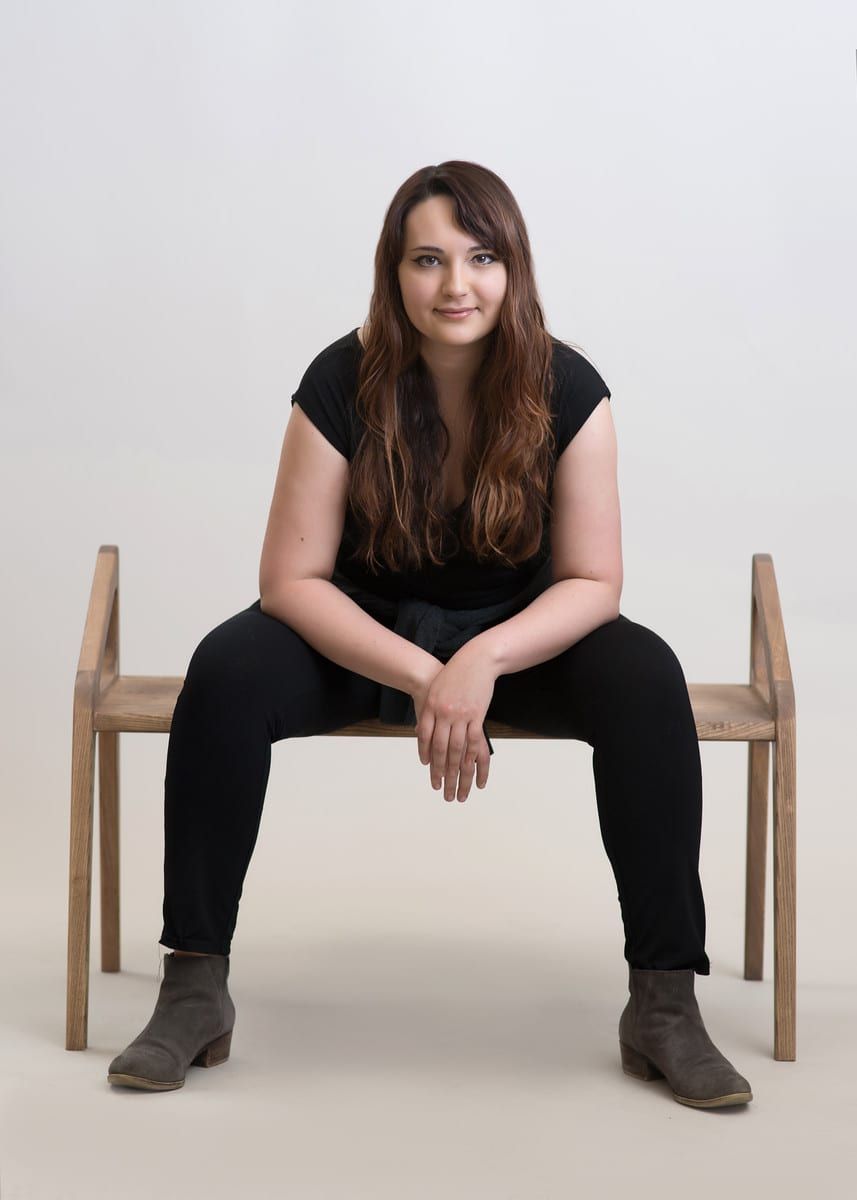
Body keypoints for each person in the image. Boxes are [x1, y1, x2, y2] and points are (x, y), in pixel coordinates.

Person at [107, 160, 752, 1109]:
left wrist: (480, 659)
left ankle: (663, 1003)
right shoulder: (337, 379)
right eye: (428, 259)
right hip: (364, 631)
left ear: (513, 268)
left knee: (645, 676)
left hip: (518, 637)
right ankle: (193, 987)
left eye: (481, 256)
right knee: (228, 671)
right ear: (393, 272)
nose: (457, 285)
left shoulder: (570, 387)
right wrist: (423, 672)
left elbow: (594, 583)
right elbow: (290, 581)